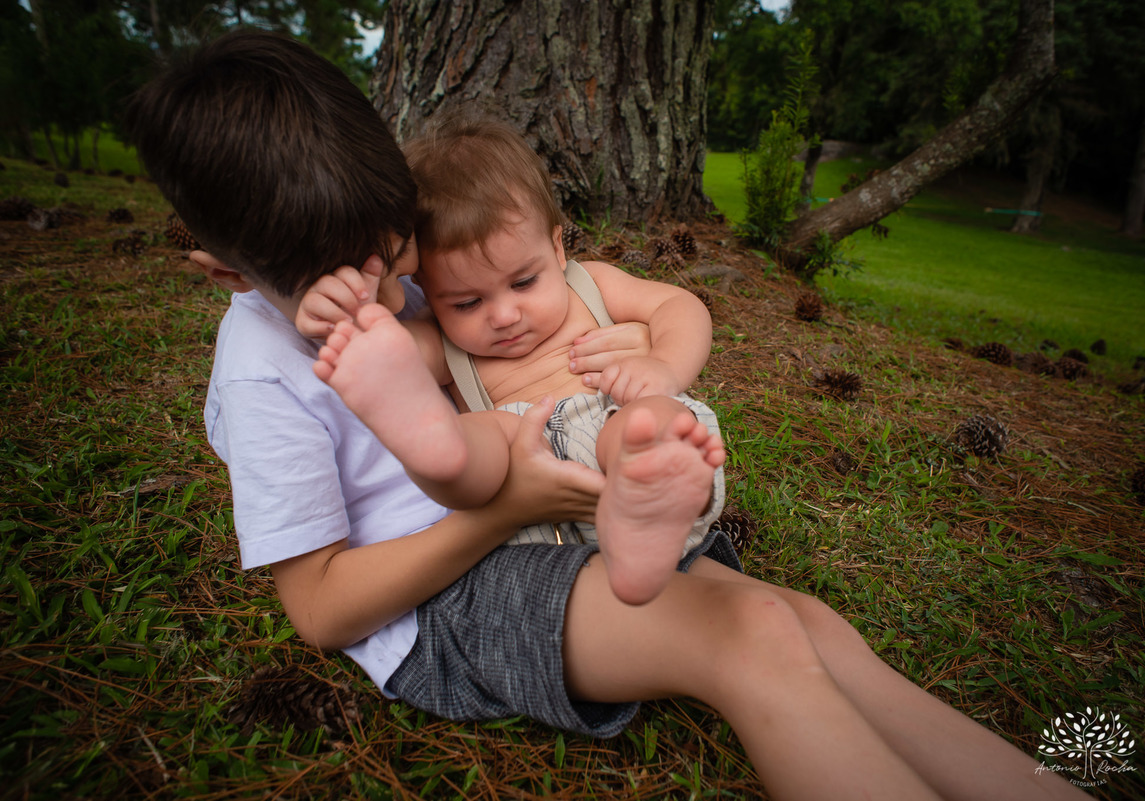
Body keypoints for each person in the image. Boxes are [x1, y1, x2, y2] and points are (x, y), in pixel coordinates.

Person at [125, 29, 1089, 801]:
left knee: (809, 627)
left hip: (545, 522)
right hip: (447, 604)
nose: (373, 284)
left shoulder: (414, 281)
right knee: (748, 640)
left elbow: (538, 314)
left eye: (387, 248)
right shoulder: (262, 372)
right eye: (330, 273)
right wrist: (498, 512)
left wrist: (628, 353)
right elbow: (322, 610)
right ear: (222, 270)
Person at [296, 114, 725, 606]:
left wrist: (663, 367)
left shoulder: (593, 283)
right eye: (465, 303)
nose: (503, 315)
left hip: (618, 422)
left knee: (649, 421)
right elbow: (371, 346)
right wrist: (342, 312)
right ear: (424, 291)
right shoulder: (439, 342)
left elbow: (680, 306)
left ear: (558, 247)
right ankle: (437, 450)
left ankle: (644, 512)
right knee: (486, 434)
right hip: (530, 497)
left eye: (523, 282)